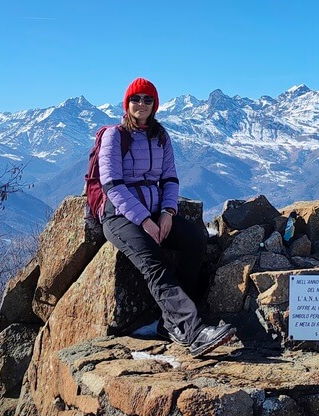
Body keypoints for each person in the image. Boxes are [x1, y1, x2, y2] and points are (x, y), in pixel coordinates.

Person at [99, 77, 236, 356]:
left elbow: (170, 178)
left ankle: (170, 323)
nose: (141, 104)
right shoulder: (114, 135)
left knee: (196, 238)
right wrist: (144, 220)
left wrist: (167, 213)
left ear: (155, 105)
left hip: (155, 212)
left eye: (147, 99)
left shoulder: (160, 136)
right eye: (136, 99)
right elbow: (111, 184)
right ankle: (192, 330)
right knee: (154, 262)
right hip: (119, 217)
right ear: (127, 104)